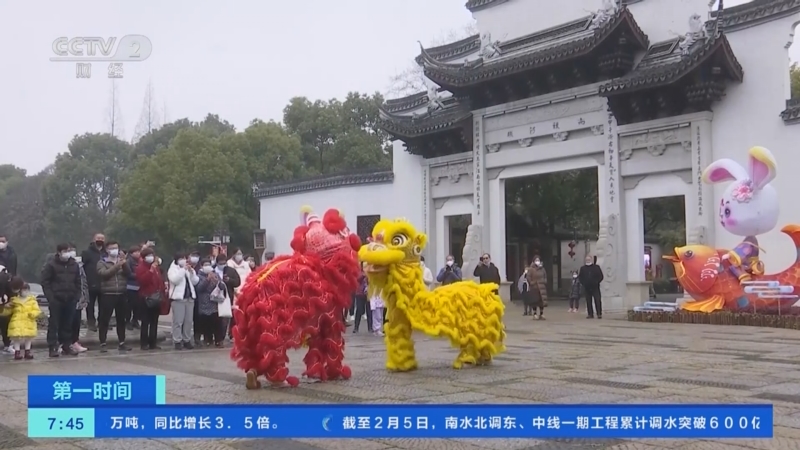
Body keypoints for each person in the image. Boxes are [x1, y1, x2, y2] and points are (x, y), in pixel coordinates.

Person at [41, 243, 81, 357]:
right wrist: (51, 297)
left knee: (68, 323)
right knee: (54, 323)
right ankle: (52, 346)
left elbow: (78, 281)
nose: (68, 253)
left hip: (70, 298)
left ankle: (67, 345)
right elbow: (45, 282)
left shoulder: (74, 265)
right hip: (56, 299)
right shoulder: (51, 265)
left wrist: (76, 295)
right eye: (66, 251)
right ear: (59, 252)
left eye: (69, 250)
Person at [96, 241, 131, 352]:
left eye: (116, 248)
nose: (115, 250)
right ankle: (102, 343)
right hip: (108, 294)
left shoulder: (122, 261)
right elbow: (104, 274)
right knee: (104, 319)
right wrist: (117, 266)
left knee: (121, 319)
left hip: (121, 293)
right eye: (112, 248)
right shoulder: (102, 262)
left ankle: (122, 342)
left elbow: (128, 273)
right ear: (107, 250)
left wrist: (124, 263)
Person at [1, 277, 41, 360]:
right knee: (16, 338)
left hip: (28, 322)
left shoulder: (32, 300)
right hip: (16, 322)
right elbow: (8, 312)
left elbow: (37, 310)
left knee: (28, 338)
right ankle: (17, 352)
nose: (25, 292)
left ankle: (27, 351)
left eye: (27, 290)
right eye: (23, 290)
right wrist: (5, 308)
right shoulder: (14, 301)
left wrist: (33, 314)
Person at [136, 247, 165, 350]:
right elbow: (143, 281)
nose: (151, 257)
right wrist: (151, 270)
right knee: (145, 322)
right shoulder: (141, 267)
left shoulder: (156, 267)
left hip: (156, 296)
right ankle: (144, 343)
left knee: (154, 321)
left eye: (152, 255)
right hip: (146, 297)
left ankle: (153, 342)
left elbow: (159, 280)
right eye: (148, 256)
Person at [167, 252, 199, 350]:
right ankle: (177, 340)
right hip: (178, 298)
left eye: (185, 258)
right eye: (181, 258)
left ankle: (187, 339)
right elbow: (175, 280)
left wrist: (191, 272)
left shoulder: (187, 269)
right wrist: (182, 270)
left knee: (188, 321)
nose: (184, 260)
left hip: (189, 298)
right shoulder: (173, 269)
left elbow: (195, 281)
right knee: (178, 321)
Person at [195, 257, 226, 347]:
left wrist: (219, 283)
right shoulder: (199, 276)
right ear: (201, 266)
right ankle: (208, 339)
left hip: (214, 302)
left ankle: (218, 340)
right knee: (206, 323)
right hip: (204, 302)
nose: (207, 266)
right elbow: (199, 288)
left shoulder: (215, 274)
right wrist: (207, 280)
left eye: (209, 264)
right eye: (205, 265)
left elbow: (221, 287)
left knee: (217, 322)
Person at [81, 233, 106, 331]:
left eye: (102, 238)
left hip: (104, 282)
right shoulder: (87, 252)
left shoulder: (106, 253)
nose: (100, 240)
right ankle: (91, 322)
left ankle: (102, 323)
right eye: (98, 238)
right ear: (93, 240)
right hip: (91, 282)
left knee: (103, 305)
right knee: (90, 305)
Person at [226, 248, 250, 338]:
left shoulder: (246, 265)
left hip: (245, 291)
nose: (239, 255)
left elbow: (250, 277)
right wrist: (236, 292)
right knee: (235, 314)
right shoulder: (230, 264)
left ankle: (243, 333)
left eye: (241, 253)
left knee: (244, 313)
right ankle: (232, 333)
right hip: (235, 291)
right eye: (238, 253)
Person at [69, 249, 89, 353]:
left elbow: (84, 282)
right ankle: (63, 343)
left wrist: (85, 298)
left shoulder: (80, 266)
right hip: (66, 298)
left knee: (76, 322)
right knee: (65, 322)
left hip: (79, 298)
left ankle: (74, 342)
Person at [0, 234, 17, 354]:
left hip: (7, 286)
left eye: (3, 241)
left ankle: (7, 343)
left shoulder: (12, 254)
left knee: (6, 320)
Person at [125, 245, 142, 330]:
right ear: (131, 253)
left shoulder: (140, 261)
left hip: (139, 286)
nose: (138, 253)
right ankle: (127, 321)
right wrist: (139, 276)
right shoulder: (128, 261)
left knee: (138, 306)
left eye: (139, 252)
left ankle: (135, 320)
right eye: (136, 252)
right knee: (129, 305)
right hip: (130, 286)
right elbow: (128, 274)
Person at [353, 262, 372, 333]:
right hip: (359, 293)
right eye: (364, 264)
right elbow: (357, 279)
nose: (365, 266)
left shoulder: (370, 271)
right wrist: (364, 275)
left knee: (369, 311)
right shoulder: (359, 271)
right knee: (359, 310)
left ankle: (370, 327)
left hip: (368, 293)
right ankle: (356, 327)